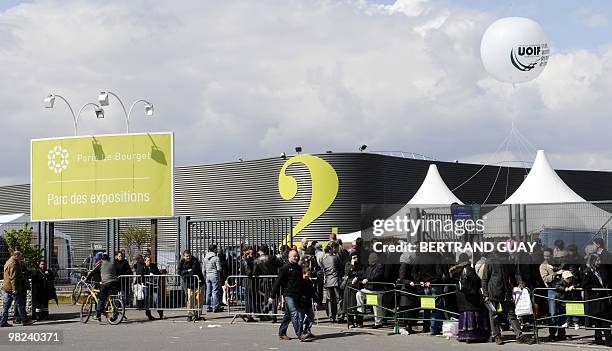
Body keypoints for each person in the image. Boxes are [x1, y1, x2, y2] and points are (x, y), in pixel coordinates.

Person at [482, 251, 531, 345]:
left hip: (506, 292)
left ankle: (519, 336)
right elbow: (485, 279)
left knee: (511, 314)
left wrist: (520, 282)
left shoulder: (509, 261)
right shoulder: (490, 262)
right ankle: (497, 336)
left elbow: (515, 273)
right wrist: (485, 294)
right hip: (493, 293)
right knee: (494, 315)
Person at [450, 254, 489, 343]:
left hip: (460, 295)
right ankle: (473, 335)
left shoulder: (455, 271)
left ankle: (463, 335)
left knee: (464, 313)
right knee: (473, 312)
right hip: (470, 295)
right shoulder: (468, 269)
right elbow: (476, 280)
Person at [269, 249, 305, 341]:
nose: (296, 258)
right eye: (294, 256)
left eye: (297, 256)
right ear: (289, 257)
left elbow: (300, 282)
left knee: (288, 315)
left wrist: (302, 294)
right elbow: (277, 282)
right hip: (288, 294)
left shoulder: (298, 268)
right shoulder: (284, 268)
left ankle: (282, 333)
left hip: (297, 294)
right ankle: (300, 334)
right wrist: (272, 296)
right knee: (294, 313)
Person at [581, 254, 612, 346]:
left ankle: (598, 338)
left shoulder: (599, 270)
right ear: (592, 261)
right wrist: (597, 287)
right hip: (595, 299)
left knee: (599, 320)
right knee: (604, 320)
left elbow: (605, 281)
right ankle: (609, 340)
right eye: (597, 260)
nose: (599, 262)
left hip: (602, 298)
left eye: (600, 260)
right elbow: (584, 285)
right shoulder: (587, 271)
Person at [411, 249, 444, 335]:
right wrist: (432, 282)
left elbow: (413, 272)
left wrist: (419, 281)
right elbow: (439, 274)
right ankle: (433, 329)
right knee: (435, 308)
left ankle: (426, 327)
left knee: (426, 307)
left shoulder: (419, 257)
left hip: (425, 286)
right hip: (434, 285)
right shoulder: (436, 257)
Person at [1, 251, 34, 327]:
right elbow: (14, 278)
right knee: (20, 304)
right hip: (13, 288)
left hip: (7, 287)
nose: (21, 258)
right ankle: (25, 320)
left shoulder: (8, 262)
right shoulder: (14, 264)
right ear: (16, 256)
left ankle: (3, 322)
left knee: (6, 306)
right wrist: (15, 289)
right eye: (20, 256)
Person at [539, 248, 565, 341]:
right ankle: (552, 334)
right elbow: (546, 279)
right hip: (552, 291)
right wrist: (556, 273)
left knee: (562, 312)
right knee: (553, 313)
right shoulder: (543, 266)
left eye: (548, 256)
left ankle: (562, 333)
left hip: (561, 290)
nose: (546, 257)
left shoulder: (556, 263)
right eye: (545, 256)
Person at [86, 254, 120, 322]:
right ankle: (114, 311)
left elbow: (93, 272)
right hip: (115, 283)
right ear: (108, 259)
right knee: (110, 297)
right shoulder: (112, 264)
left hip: (106, 283)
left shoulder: (101, 265)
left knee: (101, 299)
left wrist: (87, 279)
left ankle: (98, 315)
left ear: (102, 259)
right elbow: (118, 272)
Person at [355, 253, 385, 328]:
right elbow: (364, 275)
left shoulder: (380, 266)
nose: (368, 260)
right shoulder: (369, 267)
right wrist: (357, 278)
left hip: (376, 290)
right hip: (368, 289)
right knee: (359, 294)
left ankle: (378, 322)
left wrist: (368, 280)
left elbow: (377, 276)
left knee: (376, 305)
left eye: (369, 258)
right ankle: (360, 314)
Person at [552, 270, 580, 342]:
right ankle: (567, 322)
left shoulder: (573, 281)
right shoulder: (560, 282)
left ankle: (575, 323)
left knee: (574, 311)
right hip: (562, 299)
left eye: (570, 277)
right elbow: (557, 286)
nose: (569, 279)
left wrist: (573, 286)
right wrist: (565, 289)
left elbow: (579, 284)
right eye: (568, 278)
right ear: (564, 278)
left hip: (571, 298)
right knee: (564, 312)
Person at [177, 250, 204, 321]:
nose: (188, 257)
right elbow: (179, 271)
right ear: (184, 256)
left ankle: (198, 314)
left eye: (189, 256)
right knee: (190, 299)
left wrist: (186, 272)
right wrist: (187, 271)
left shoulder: (195, 261)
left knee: (199, 299)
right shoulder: (182, 262)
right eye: (186, 256)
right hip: (189, 284)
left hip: (198, 283)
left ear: (191, 255)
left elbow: (194, 271)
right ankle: (190, 314)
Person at [320, 244, 343, 323]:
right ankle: (339, 316)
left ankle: (331, 316)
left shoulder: (323, 259)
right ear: (330, 250)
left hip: (328, 281)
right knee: (338, 299)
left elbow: (323, 269)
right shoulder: (335, 257)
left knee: (329, 300)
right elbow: (340, 267)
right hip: (336, 279)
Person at [137, 256, 164, 320]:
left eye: (150, 260)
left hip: (154, 285)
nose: (149, 262)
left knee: (157, 299)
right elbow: (140, 273)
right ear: (145, 261)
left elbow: (158, 273)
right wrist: (148, 273)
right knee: (147, 300)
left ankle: (161, 314)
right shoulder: (142, 267)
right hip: (146, 285)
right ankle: (148, 314)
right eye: (147, 261)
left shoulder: (153, 266)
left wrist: (154, 274)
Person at [344, 252, 364, 328]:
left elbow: (362, 273)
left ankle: (359, 322)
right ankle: (351, 322)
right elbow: (347, 273)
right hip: (350, 287)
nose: (356, 259)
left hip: (358, 286)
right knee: (351, 305)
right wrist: (352, 265)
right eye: (354, 257)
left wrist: (357, 278)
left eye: (356, 257)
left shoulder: (360, 265)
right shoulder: (348, 264)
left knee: (359, 304)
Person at [204, 244, 223, 313]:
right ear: (214, 249)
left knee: (208, 291)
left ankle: (208, 307)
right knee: (215, 291)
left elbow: (204, 268)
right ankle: (216, 307)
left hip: (207, 275)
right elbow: (219, 268)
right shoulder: (216, 258)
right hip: (214, 275)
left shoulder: (205, 257)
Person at [299, 267, 317, 340]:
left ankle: (307, 330)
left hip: (308, 302)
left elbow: (312, 292)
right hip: (301, 303)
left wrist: (316, 300)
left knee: (311, 316)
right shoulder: (300, 282)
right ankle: (300, 333)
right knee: (301, 318)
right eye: (307, 274)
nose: (308, 276)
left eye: (309, 274)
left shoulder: (310, 282)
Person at [241, 247, 258, 322]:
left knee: (249, 298)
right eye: (251, 253)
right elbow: (249, 273)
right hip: (248, 281)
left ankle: (248, 314)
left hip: (249, 281)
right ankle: (248, 315)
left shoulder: (248, 260)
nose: (252, 255)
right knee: (249, 298)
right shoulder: (246, 261)